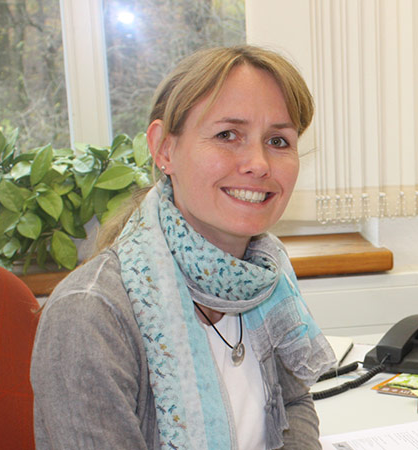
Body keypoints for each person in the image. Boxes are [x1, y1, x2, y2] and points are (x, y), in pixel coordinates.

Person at [31, 45, 336, 450]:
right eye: (228, 135)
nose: (259, 163)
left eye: (278, 140)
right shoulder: (89, 315)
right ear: (164, 149)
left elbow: (292, 403)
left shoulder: (264, 278)